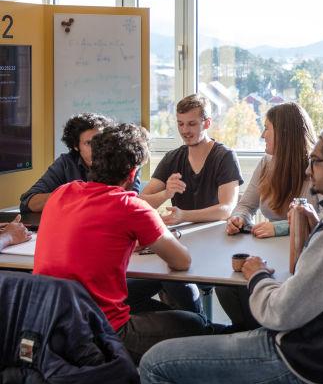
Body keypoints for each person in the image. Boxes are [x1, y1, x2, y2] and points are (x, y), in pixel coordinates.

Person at [139, 122, 323, 384]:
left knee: (155, 362)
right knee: (223, 329)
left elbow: (278, 314)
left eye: (315, 161)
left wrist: (257, 275)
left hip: (299, 357)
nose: (308, 169)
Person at [32, 123, 216, 363]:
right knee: (197, 323)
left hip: (48, 325)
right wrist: (171, 234)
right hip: (103, 332)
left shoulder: (61, 193)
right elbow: (182, 261)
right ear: (132, 173)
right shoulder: (130, 206)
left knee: (148, 285)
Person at [136, 94, 244, 314]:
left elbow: (226, 209)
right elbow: (141, 201)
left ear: (207, 123)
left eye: (192, 124)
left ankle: (198, 323)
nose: (185, 130)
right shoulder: (172, 158)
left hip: (216, 243)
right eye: (180, 124)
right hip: (180, 241)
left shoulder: (224, 157)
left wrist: (184, 216)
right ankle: (197, 323)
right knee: (168, 280)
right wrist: (166, 192)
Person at [218, 102, 319, 331]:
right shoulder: (265, 164)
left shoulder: (315, 170)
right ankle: (250, 332)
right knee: (226, 287)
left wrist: (279, 227)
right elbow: (246, 204)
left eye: (267, 129)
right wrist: (239, 218)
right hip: (269, 251)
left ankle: (268, 335)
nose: (262, 135)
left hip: (300, 255)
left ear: (284, 134)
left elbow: (316, 220)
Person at [19, 113, 141, 213]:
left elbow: (132, 203)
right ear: (76, 146)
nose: (97, 147)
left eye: (101, 140)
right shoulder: (66, 163)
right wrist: (74, 195)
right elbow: (30, 202)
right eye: (89, 143)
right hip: (75, 226)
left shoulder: (123, 160)